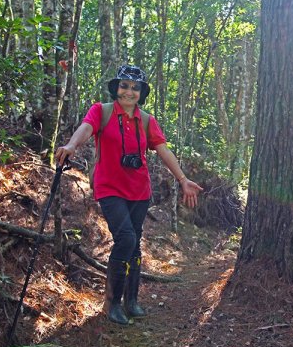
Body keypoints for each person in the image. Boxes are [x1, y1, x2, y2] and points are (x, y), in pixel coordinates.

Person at [55, 65, 203, 325]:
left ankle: (131, 300)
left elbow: (163, 150)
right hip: (109, 187)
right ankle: (111, 303)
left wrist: (183, 180)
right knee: (125, 239)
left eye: (135, 87)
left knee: (135, 244)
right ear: (116, 88)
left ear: (141, 92)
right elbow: (86, 128)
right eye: (124, 85)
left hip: (139, 190)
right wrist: (71, 145)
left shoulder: (146, 120)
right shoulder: (101, 111)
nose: (129, 91)